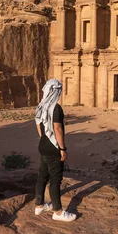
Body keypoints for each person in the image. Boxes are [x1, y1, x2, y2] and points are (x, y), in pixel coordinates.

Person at [34, 79, 77, 222]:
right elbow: (58, 129)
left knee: (42, 175)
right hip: (53, 147)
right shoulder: (56, 108)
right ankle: (58, 212)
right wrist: (62, 148)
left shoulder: (41, 106)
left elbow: (38, 126)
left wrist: (44, 139)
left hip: (43, 144)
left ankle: (39, 205)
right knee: (55, 179)